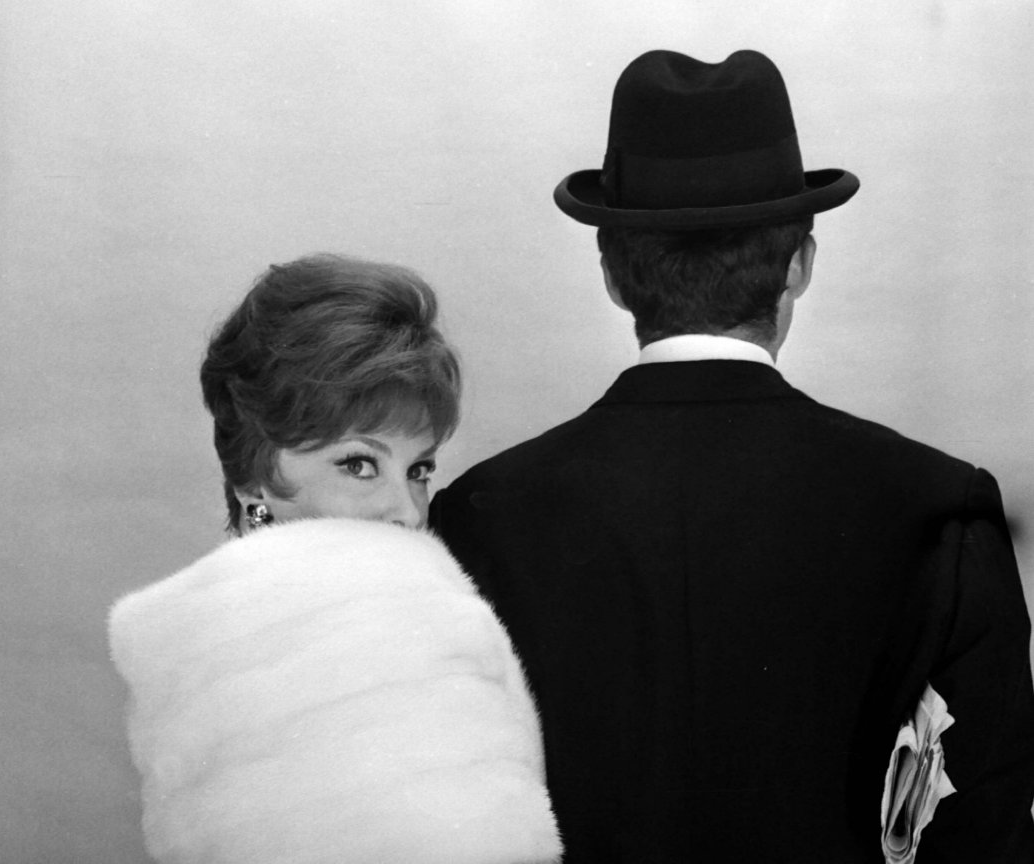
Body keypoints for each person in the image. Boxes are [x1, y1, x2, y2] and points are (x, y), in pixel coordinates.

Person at [429, 50, 1034, 862]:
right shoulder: (937, 509)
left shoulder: (480, 518)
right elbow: (988, 835)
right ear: (801, 264)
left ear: (611, 272)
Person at [107, 254, 562, 864]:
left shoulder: (199, 647)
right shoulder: (375, 641)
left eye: (419, 469)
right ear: (257, 475)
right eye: (359, 464)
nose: (407, 511)